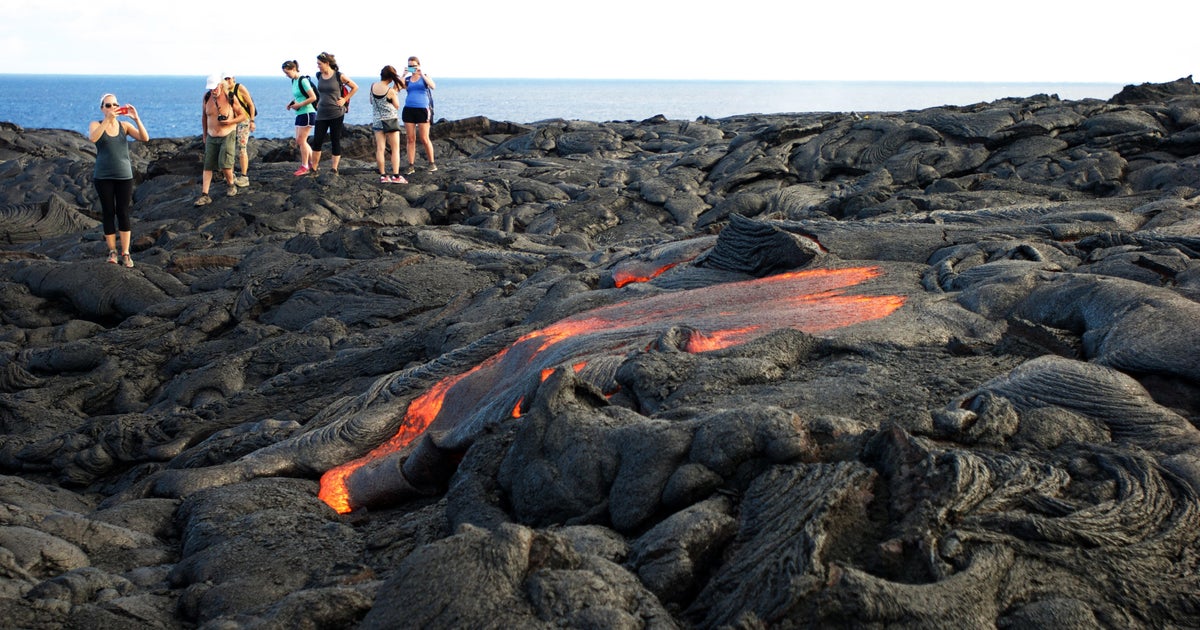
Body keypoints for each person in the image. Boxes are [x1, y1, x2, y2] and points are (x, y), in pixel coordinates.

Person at [88, 94, 149, 268]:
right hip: (103, 176)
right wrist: (107, 120)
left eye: (115, 104)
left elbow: (145, 138)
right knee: (108, 212)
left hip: (124, 176)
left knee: (123, 212)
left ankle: (126, 253)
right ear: (102, 108)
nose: (112, 107)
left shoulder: (125, 126)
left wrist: (136, 118)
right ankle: (112, 251)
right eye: (108, 105)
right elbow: (94, 138)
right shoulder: (96, 124)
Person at [196, 72, 247, 206]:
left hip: (227, 134)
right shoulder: (207, 97)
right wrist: (204, 135)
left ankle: (231, 185)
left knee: (225, 164)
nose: (213, 91)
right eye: (210, 88)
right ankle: (205, 195)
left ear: (220, 85)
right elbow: (204, 117)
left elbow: (242, 115)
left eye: (215, 88)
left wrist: (230, 122)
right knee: (208, 165)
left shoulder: (230, 96)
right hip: (211, 136)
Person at [309, 52, 357, 175]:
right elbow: (322, 92)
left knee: (335, 140)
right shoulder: (319, 75)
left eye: (319, 64)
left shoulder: (339, 76)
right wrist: (319, 101)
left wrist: (344, 99)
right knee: (317, 140)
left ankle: (334, 169)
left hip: (336, 113)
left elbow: (355, 87)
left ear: (327, 63)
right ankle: (314, 168)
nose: (318, 66)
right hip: (321, 113)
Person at [370, 66, 407, 183]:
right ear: (391, 78)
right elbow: (397, 105)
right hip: (390, 121)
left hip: (377, 120)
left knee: (380, 149)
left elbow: (371, 101)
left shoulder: (372, 86)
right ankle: (396, 176)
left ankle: (383, 176)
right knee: (395, 149)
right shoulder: (390, 91)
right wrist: (394, 94)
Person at [401, 56, 437, 175]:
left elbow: (433, 86)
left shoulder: (424, 77)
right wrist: (403, 74)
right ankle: (411, 165)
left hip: (422, 109)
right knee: (410, 139)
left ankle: (432, 163)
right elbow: (399, 87)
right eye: (410, 66)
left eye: (414, 65)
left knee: (424, 138)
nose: (412, 67)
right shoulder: (407, 79)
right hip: (409, 109)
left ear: (419, 65)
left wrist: (422, 74)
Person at [282, 60, 317, 176]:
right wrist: (292, 103)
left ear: (293, 69)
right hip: (300, 113)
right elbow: (300, 96)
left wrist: (299, 105)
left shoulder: (303, 80)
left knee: (301, 141)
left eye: (287, 73)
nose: (287, 75)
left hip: (307, 113)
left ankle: (305, 166)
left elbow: (313, 97)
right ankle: (312, 164)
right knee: (299, 140)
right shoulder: (294, 81)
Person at [224, 75, 257, 187]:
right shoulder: (223, 90)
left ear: (233, 78)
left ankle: (244, 176)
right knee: (229, 149)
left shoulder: (239, 88)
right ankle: (231, 175)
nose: (227, 81)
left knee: (242, 148)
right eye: (225, 79)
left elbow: (251, 105)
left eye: (229, 78)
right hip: (232, 122)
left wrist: (252, 121)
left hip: (243, 121)